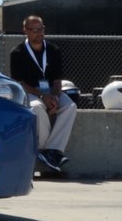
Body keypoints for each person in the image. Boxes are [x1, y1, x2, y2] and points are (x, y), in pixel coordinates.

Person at [9, 14, 76, 176]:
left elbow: (57, 80)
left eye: (42, 29)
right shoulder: (17, 52)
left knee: (70, 106)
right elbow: (20, 83)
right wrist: (42, 96)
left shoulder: (53, 50)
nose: (39, 32)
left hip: (51, 91)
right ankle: (46, 151)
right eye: (35, 30)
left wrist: (55, 97)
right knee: (37, 108)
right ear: (25, 31)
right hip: (30, 92)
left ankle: (52, 150)